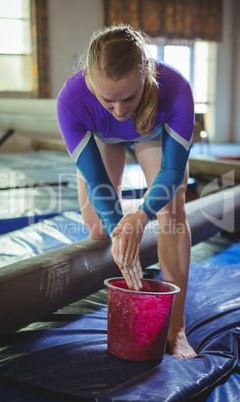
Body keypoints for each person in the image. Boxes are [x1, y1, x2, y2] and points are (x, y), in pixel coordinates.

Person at [56, 24, 197, 358]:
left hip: (152, 131)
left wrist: (142, 214)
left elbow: (173, 171)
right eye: (109, 100)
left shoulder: (175, 89)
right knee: (99, 230)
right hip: (101, 137)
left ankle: (177, 328)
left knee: (172, 212)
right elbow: (97, 182)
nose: (120, 110)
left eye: (129, 97)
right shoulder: (71, 101)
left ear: (146, 74)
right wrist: (119, 224)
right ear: (89, 79)